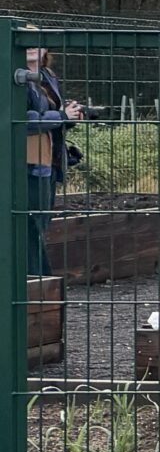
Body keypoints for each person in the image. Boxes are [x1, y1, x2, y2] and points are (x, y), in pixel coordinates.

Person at [17, 48, 81, 279]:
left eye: (37, 41)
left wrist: (71, 116)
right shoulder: (13, 77)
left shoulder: (47, 75)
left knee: (39, 226)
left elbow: (51, 117)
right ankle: (35, 283)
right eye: (27, 41)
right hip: (25, 164)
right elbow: (23, 121)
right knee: (29, 228)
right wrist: (61, 116)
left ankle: (38, 285)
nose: (32, 47)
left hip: (49, 164)